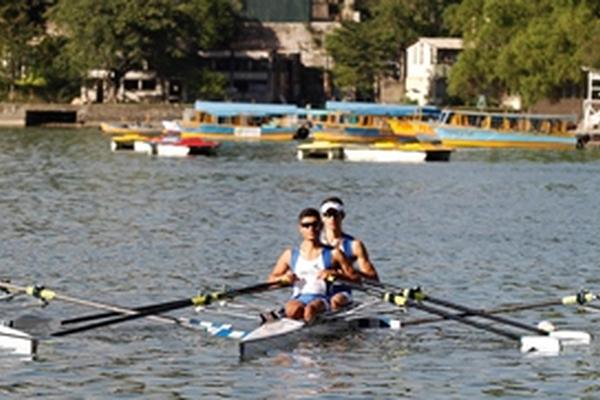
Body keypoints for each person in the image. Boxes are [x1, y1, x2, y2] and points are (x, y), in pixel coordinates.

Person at [268, 207, 360, 322]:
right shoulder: (290, 254)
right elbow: (271, 281)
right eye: (306, 225)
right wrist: (283, 279)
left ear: (321, 226)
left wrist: (337, 275)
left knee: (310, 310)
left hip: (322, 299)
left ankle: (310, 336)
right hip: (299, 298)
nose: (311, 229)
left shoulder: (334, 253)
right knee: (292, 310)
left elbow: (356, 280)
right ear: (300, 228)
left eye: (314, 225)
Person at [319, 197, 379, 311]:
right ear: (322, 218)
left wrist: (347, 273)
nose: (332, 219)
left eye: (336, 214)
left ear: (343, 216)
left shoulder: (354, 245)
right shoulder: (314, 242)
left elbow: (374, 280)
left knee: (335, 301)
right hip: (317, 290)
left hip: (341, 293)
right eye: (327, 215)